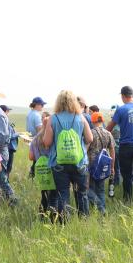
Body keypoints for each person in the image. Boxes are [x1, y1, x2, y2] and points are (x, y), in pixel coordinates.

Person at [43, 90, 93, 220]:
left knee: (63, 194)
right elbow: (90, 138)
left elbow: (47, 142)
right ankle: (84, 222)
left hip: (58, 164)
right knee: (82, 194)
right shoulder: (80, 117)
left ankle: (65, 224)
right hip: (79, 162)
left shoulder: (53, 118)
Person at [107, 86, 133, 201]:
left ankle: (128, 198)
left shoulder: (120, 110)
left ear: (123, 96)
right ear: (132, 95)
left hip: (125, 146)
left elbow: (109, 128)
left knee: (127, 175)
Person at [28, 111, 58, 221]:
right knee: (54, 195)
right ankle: (53, 219)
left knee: (44, 194)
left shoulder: (35, 139)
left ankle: (41, 217)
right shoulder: (54, 137)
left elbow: (31, 157)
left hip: (40, 170)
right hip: (53, 169)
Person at [86, 112, 115, 214]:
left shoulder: (91, 133)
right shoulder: (108, 133)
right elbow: (112, 151)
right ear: (102, 120)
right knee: (101, 190)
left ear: (92, 121)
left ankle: (100, 208)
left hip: (92, 164)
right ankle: (102, 212)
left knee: (88, 188)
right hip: (103, 164)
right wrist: (112, 167)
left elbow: (86, 149)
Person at [1, 105, 19, 175]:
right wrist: (18, 134)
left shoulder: (4, 120)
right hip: (9, 147)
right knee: (8, 167)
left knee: (7, 167)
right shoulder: (5, 121)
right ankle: (5, 182)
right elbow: (10, 136)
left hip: (7, 147)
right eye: (7, 111)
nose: (8, 113)